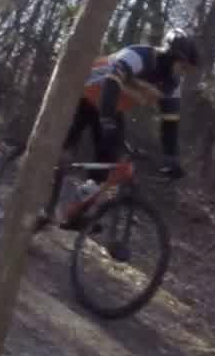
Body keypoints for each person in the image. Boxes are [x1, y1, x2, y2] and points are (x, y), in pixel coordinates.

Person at [48, 27, 200, 228]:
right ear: (170, 56)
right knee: (63, 152)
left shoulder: (172, 84)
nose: (183, 73)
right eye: (183, 66)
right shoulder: (140, 56)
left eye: (187, 70)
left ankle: (74, 213)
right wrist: (107, 120)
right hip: (85, 95)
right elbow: (112, 83)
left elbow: (170, 123)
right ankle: (41, 204)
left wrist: (171, 158)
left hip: (111, 108)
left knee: (108, 162)